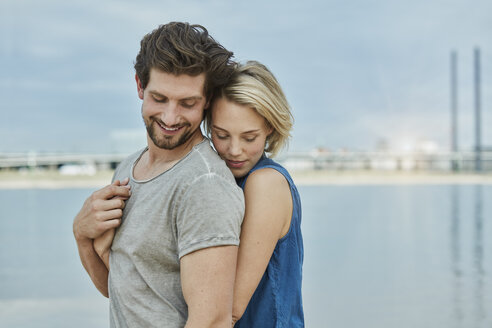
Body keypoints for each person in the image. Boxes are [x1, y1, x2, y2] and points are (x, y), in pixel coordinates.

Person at [72, 22, 245, 328]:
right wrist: (82, 236)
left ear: (206, 100)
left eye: (187, 103)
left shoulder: (204, 185)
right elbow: (124, 292)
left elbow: (213, 320)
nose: (169, 117)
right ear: (140, 86)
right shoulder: (128, 168)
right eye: (160, 99)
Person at [206, 61, 304, 327]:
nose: (234, 150)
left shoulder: (266, 183)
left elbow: (230, 308)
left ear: (270, 127)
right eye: (221, 134)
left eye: (249, 137)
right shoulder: (222, 182)